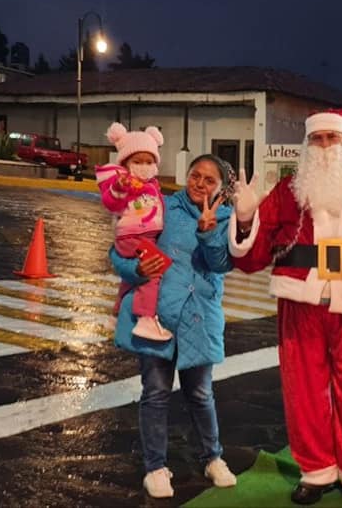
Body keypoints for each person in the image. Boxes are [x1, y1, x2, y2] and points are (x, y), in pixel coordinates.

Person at [228, 108, 342, 508]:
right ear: (307, 145)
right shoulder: (290, 190)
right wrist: (244, 219)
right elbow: (253, 256)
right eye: (318, 139)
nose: (326, 146)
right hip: (301, 305)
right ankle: (316, 470)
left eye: (333, 138)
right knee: (304, 391)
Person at [110, 154, 239, 499]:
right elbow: (119, 248)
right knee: (155, 393)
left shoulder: (227, 218)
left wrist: (209, 232)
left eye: (209, 180)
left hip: (200, 317)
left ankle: (213, 457)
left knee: (201, 394)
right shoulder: (159, 206)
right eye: (195, 175)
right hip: (158, 316)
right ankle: (155, 467)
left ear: (222, 187)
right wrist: (136, 271)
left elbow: (222, 265)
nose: (199, 183)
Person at [95, 122, 170, 341]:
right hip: (131, 236)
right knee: (153, 271)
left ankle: (116, 315)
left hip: (144, 235)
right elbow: (111, 203)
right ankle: (145, 319)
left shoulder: (152, 186)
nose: (144, 166)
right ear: (126, 163)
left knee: (130, 280)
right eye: (137, 161)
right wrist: (120, 187)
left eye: (149, 161)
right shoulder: (124, 182)